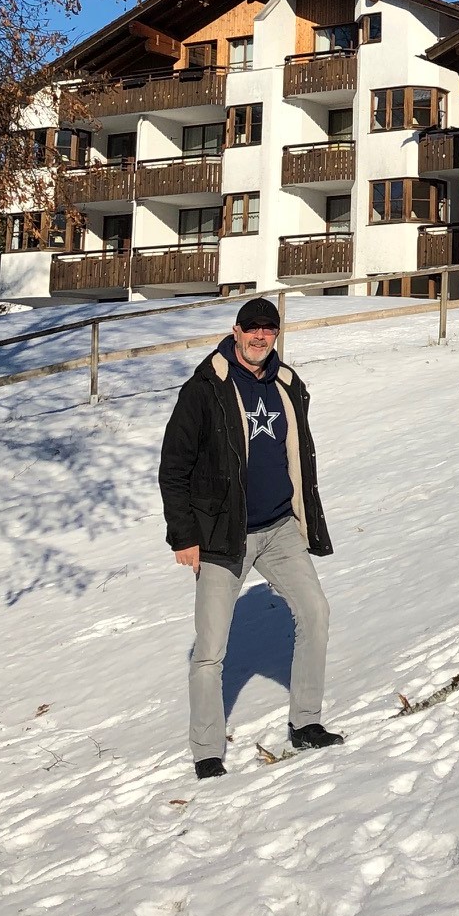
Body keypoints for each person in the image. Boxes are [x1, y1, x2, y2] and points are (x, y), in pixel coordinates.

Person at [158, 295, 341, 778]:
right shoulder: (204, 389)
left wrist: (306, 517)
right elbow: (173, 468)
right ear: (235, 331)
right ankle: (207, 751)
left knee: (315, 613)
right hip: (223, 536)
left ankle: (306, 723)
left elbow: (297, 454)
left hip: (280, 527)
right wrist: (183, 536)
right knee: (211, 650)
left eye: (269, 329)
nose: (260, 337)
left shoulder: (286, 384)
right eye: (251, 328)